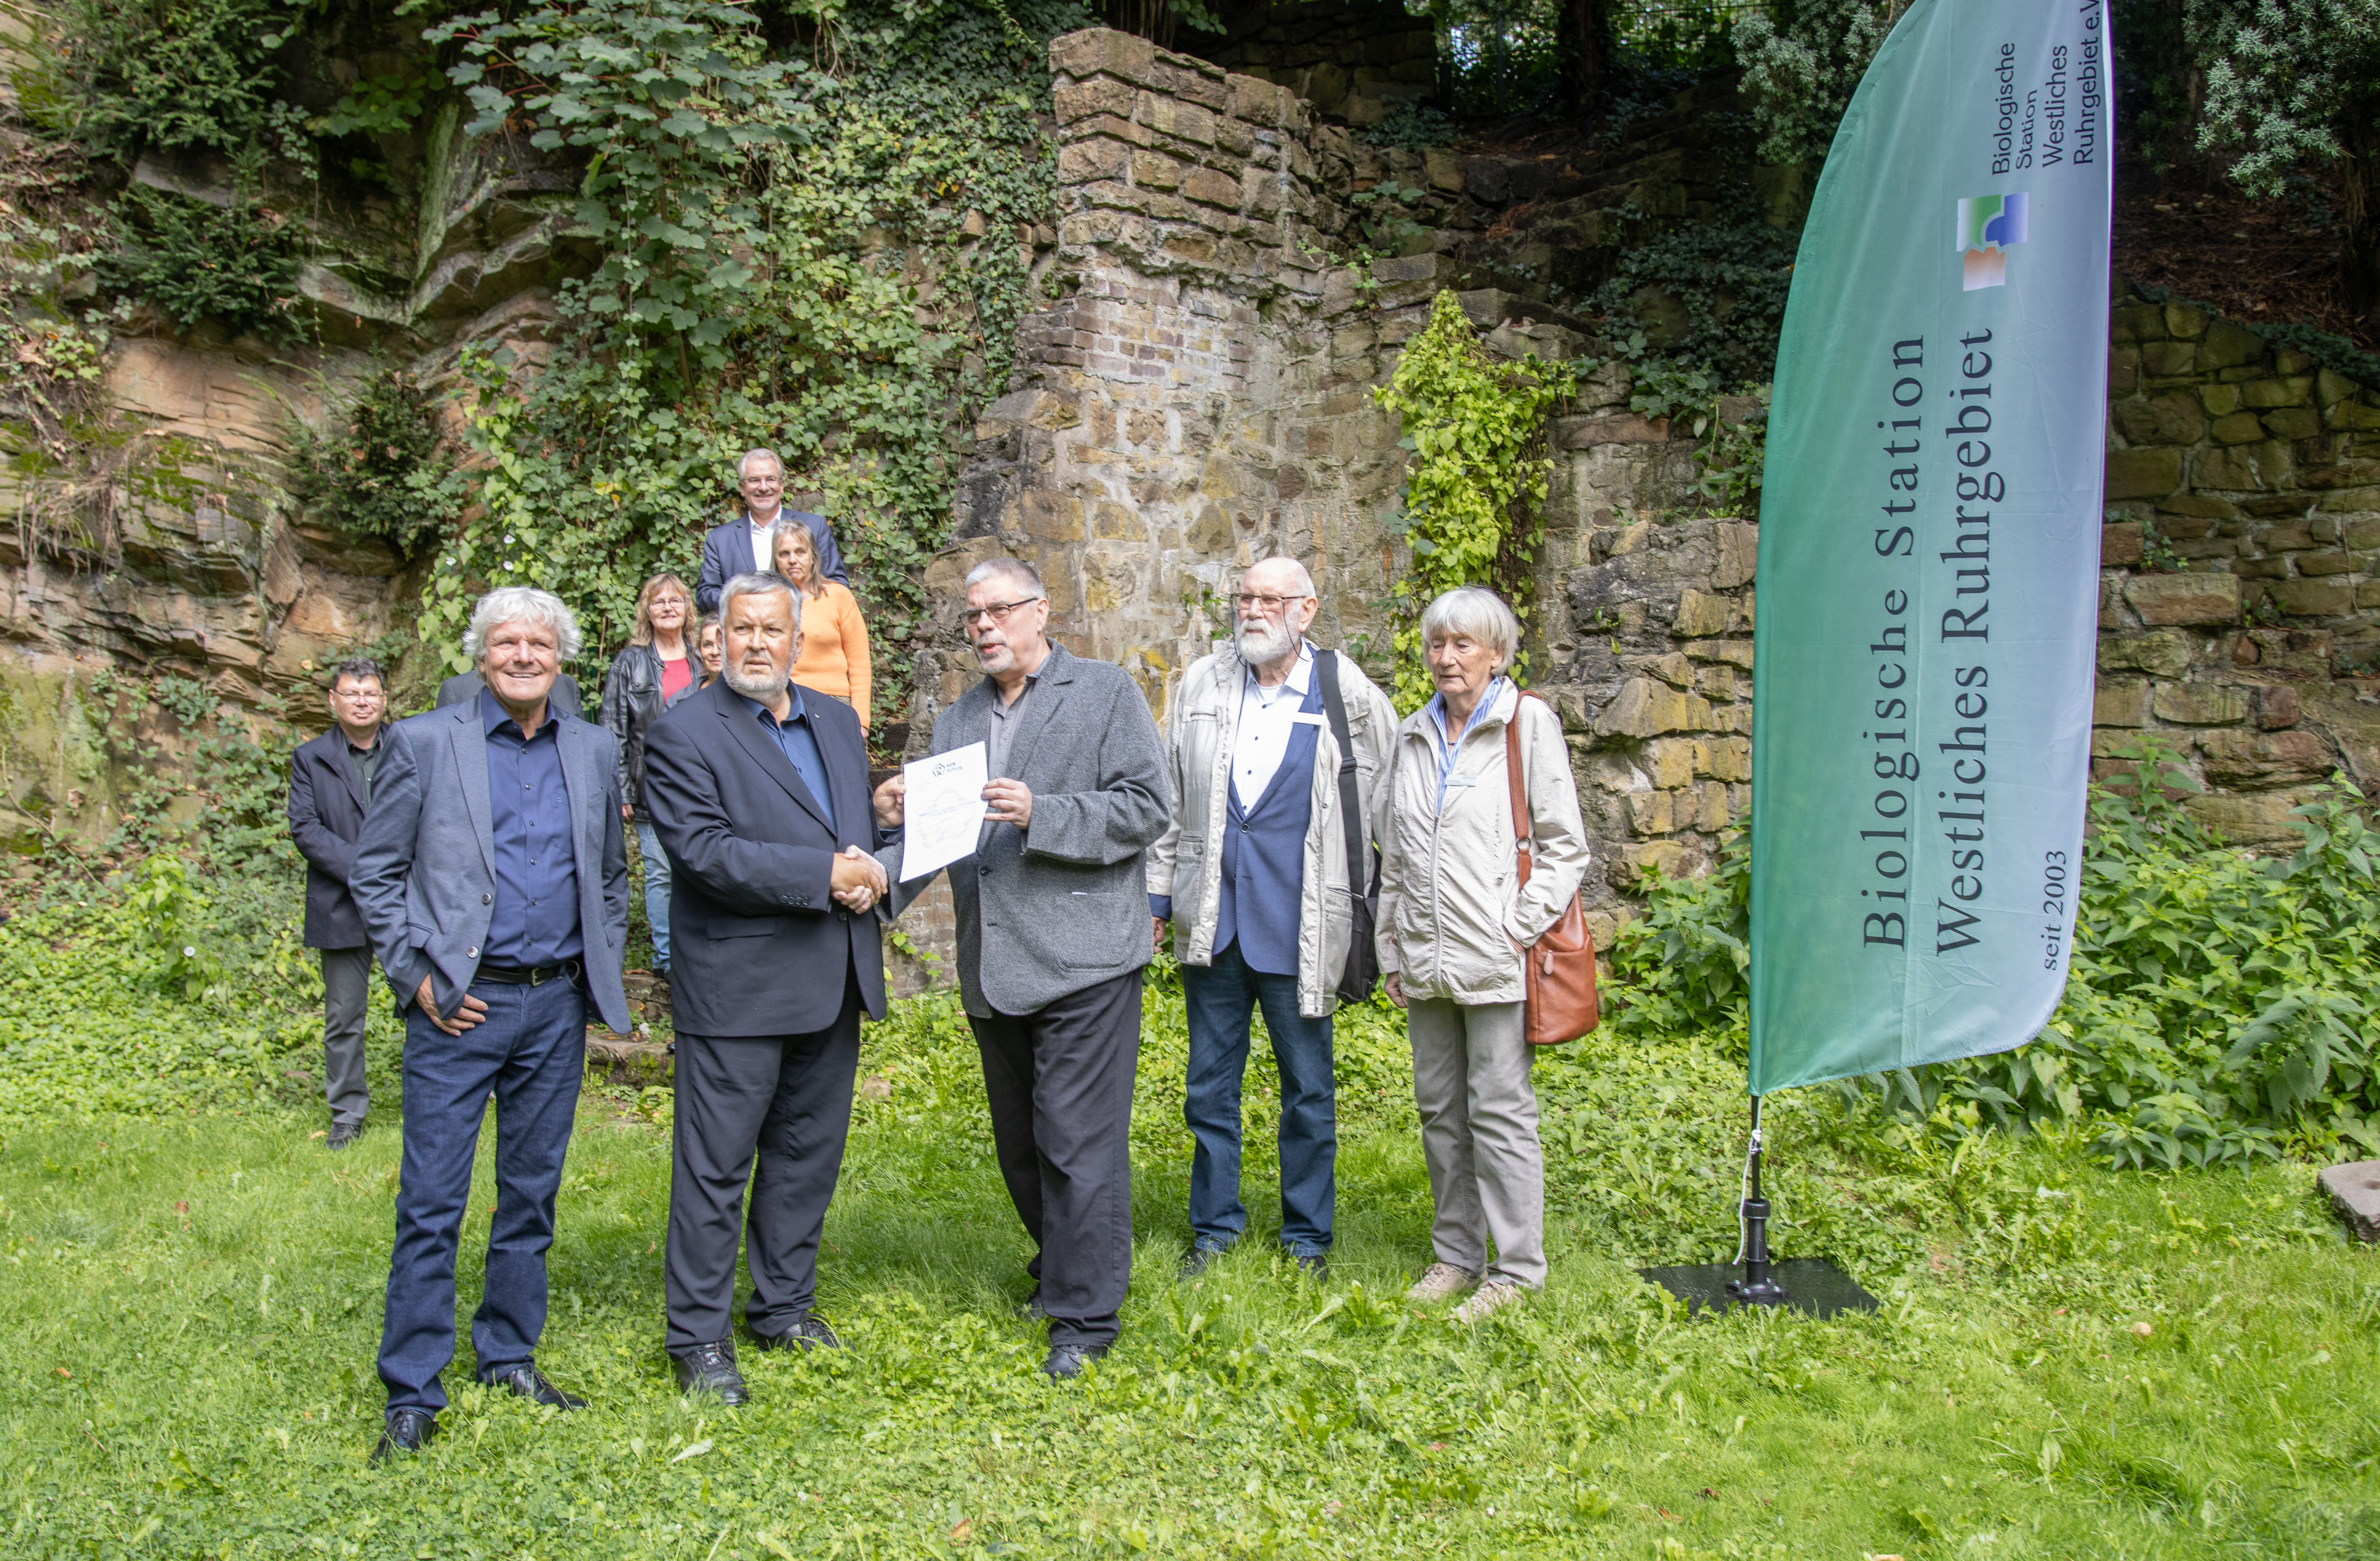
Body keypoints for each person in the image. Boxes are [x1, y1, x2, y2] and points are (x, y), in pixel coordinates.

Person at [350, 586, 632, 1461]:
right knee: (432, 1202)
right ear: (481, 655)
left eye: (537, 643)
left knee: (531, 1195)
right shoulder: (426, 741)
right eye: (505, 642)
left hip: (553, 1006)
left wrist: (595, 974)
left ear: (561, 657)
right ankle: (412, 1389)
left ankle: (507, 1352)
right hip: (458, 1008)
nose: (521, 655)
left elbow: (613, 878)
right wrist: (417, 976)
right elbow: (375, 873)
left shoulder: (594, 748)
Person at [875, 558, 1170, 1380]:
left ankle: (1083, 1318)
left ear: (1041, 611)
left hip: (1085, 961)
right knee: (1023, 1147)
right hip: (994, 964)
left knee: (1079, 1144)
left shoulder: (1105, 692)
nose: (984, 627)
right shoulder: (956, 720)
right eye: (972, 617)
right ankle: (1063, 1269)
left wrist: (1046, 812)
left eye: (999, 610)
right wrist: (875, 870)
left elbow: (1150, 807)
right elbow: (935, 844)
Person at [642, 572, 891, 1406]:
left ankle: (782, 1306)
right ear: (719, 637)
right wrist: (827, 872)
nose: (756, 643)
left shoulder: (832, 719)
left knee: (806, 1158)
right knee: (716, 1167)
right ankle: (698, 1337)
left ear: (797, 640)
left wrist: (880, 829)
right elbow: (707, 854)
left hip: (833, 974)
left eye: (771, 630)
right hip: (738, 985)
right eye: (741, 628)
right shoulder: (683, 733)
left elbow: (844, 832)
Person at [1145, 559, 1396, 1281]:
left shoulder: (1345, 691)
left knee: (1309, 1090)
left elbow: (1386, 804)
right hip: (1215, 919)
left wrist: (1387, 901)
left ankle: (1307, 1237)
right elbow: (1172, 801)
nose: (1251, 610)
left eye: (1268, 599)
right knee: (1208, 1087)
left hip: (1301, 924)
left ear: (1306, 609)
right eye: (1244, 597)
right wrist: (1160, 900)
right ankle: (1215, 1229)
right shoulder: (1200, 682)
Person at [1376, 587, 1588, 1324]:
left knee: (1499, 1111)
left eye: (1464, 644)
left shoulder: (1526, 723)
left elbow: (1566, 845)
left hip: (1497, 958)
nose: (1447, 657)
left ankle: (1516, 1270)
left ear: (1497, 654)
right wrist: (1391, 945)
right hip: (1427, 957)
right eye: (1438, 644)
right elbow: (1394, 853)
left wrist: (1518, 926)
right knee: (1440, 1109)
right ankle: (1457, 1255)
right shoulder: (1411, 734)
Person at [286, 657, 391, 1151]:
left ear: (384, 699)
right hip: (342, 902)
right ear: (334, 700)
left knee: (430, 1004)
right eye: (352, 694)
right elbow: (306, 830)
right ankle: (347, 1113)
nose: (362, 701)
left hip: (405, 900)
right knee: (344, 1016)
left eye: (370, 693)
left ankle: (440, 1100)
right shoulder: (311, 758)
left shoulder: (410, 748)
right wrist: (365, 870)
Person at [599, 573, 699, 978]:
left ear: (687, 607)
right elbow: (613, 728)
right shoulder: (630, 662)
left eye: (676, 600)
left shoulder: (703, 656)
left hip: (698, 784)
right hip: (649, 784)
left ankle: (695, 950)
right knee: (660, 872)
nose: (668, 607)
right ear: (647, 610)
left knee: (695, 871)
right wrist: (621, 787)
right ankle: (667, 958)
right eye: (659, 601)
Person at [695, 448, 848, 613]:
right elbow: (706, 596)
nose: (763, 487)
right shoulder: (720, 540)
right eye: (754, 480)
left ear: (782, 485)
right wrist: (748, 601)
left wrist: (796, 604)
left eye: (771, 479)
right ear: (741, 488)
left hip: (807, 629)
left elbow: (837, 584)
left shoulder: (815, 526)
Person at [770, 520, 872, 732]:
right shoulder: (767, 604)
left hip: (835, 703)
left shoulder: (838, 596)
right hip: (784, 704)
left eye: (800, 552)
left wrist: (862, 721)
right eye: (784, 554)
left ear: (813, 556)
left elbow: (860, 662)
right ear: (776, 559)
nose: (793, 560)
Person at [438, 667, 583, 715]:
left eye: (539, 643)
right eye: (508, 642)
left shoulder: (566, 685)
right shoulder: (458, 690)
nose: (524, 656)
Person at [694, 615, 724, 686]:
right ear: (700, 650)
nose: (715, 652)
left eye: (722, 644)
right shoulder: (686, 696)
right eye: (708, 645)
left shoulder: (752, 696)